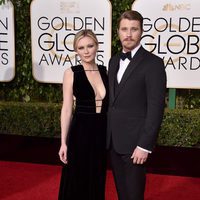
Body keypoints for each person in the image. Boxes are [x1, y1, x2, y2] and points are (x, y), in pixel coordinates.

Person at [107, 10, 166, 200]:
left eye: (134, 29)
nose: (128, 34)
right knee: (122, 194)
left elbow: (156, 108)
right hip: (113, 142)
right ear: (118, 32)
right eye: (124, 29)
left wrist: (144, 145)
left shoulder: (153, 64)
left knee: (133, 196)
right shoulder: (113, 61)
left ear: (141, 31)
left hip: (135, 145)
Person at [58, 29, 108, 200]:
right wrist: (63, 142)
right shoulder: (71, 72)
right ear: (76, 50)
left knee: (97, 176)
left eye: (90, 46)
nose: (86, 51)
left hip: (101, 132)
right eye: (81, 47)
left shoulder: (104, 71)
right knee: (77, 178)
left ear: (97, 46)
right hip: (80, 133)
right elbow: (66, 109)